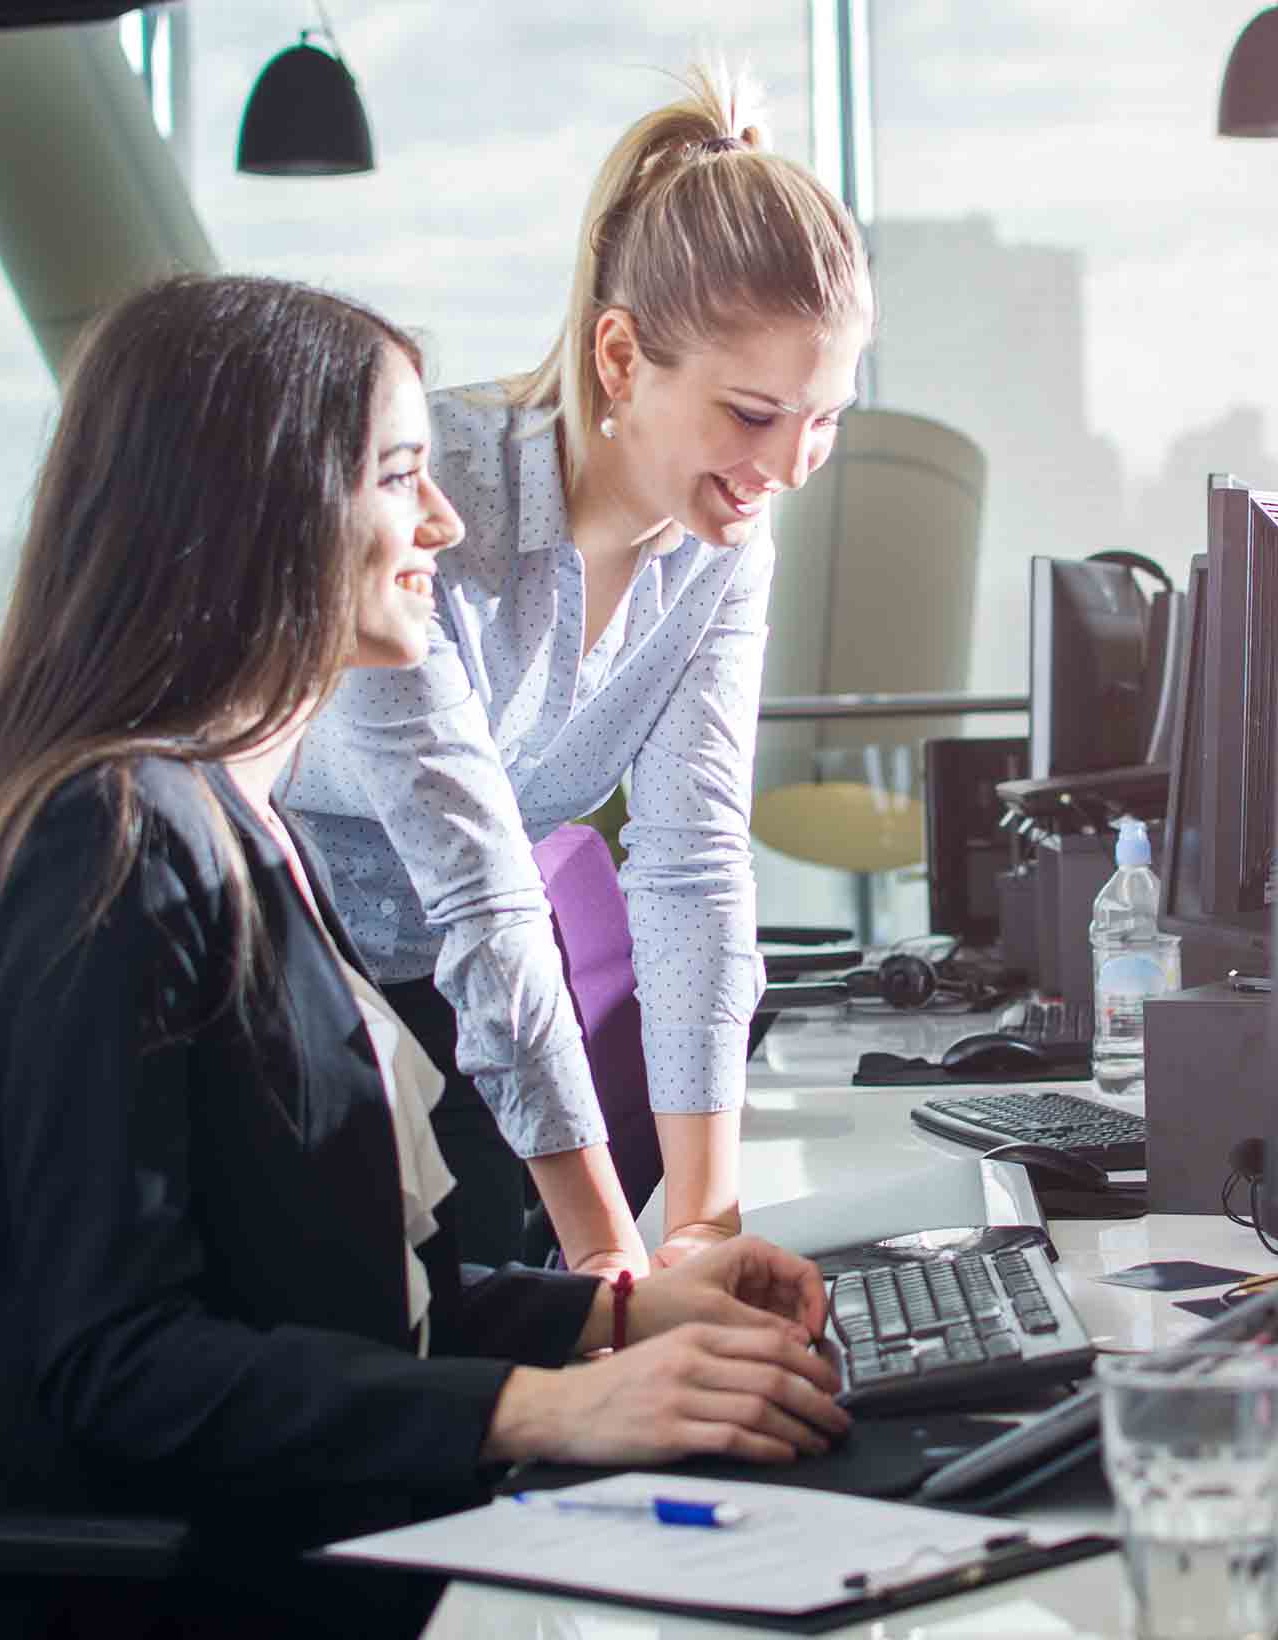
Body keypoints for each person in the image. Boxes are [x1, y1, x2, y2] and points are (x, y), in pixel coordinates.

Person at [0, 275, 847, 1638]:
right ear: (253, 515)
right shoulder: (111, 849)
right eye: (396, 477)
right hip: (175, 1596)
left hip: (314, 1535)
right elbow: (123, 1362)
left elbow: (327, 1301)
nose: (444, 520)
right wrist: (546, 1408)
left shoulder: (234, 819)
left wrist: (622, 1321)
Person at [286, 64, 872, 1277]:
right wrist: (620, 1273)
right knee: (472, 1329)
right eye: (753, 412)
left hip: (454, 1001)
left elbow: (692, 858)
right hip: (284, 999)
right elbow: (482, 891)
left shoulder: (720, 544)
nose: (789, 465)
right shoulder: (430, 494)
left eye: (823, 418)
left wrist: (702, 1232)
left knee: (538, 1314)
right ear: (619, 356)